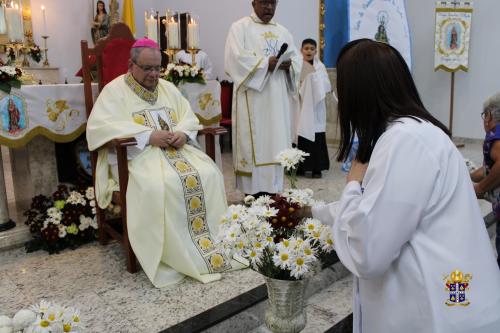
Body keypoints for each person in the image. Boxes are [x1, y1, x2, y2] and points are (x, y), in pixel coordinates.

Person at [310, 39, 500, 332]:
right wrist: (313, 212)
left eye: (342, 92)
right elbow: (382, 208)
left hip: (435, 313)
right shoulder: (418, 132)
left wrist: (352, 184)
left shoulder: (403, 141)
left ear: (360, 94)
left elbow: (368, 251)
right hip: (454, 300)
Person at [86, 38, 238, 288]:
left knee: (210, 174)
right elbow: (100, 129)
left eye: (157, 68)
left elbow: (188, 117)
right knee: (159, 185)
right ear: (130, 65)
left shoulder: (167, 88)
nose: (153, 74)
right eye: (147, 68)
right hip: (136, 158)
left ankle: (205, 245)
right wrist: (146, 136)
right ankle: (171, 253)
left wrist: (183, 133)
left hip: (176, 153)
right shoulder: (113, 91)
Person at [224, 0, 301, 197]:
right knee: (256, 142)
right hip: (253, 97)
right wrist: (266, 63)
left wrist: (289, 65)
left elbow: (297, 62)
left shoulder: (283, 31)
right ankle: (252, 194)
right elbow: (234, 59)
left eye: (272, 3)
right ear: (254, 3)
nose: (269, 8)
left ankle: (274, 189)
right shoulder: (239, 28)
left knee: (275, 139)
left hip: (277, 99)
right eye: (264, 3)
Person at [470, 92, 500, 269]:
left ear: (489, 115)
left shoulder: (495, 135)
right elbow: (489, 169)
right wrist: (466, 175)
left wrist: (480, 188)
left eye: (484, 114)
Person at [296, 38, 331, 178]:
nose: (309, 51)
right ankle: (300, 167)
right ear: (301, 50)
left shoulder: (320, 67)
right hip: (301, 105)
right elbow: (292, 83)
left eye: (312, 49)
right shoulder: (297, 65)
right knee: (301, 135)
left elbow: (326, 85)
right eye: (306, 48)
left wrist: (314, 80)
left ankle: (317, 168)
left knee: (316, 136)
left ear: (316, 51)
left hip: (315, 107)